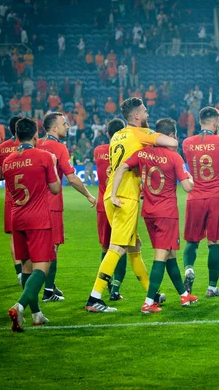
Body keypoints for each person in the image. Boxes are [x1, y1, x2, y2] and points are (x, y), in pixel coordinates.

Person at [84, 98, 178, 313]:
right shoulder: (140, 133)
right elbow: (172, 143)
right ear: (136, 115)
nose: (147, 113)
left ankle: (152, 294)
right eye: (144, 110)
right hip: (125, 197)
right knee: (117, 247)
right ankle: (94, 297)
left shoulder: (117, 135)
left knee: (134, 246)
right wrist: (154, 140)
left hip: (111, 194)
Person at [111, 118, 198, 313]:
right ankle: (149, 302)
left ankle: (184, 296)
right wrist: (192, 179)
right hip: (166, 213)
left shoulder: (141, 153)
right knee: (161, 256)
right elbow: (187, 187)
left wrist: (114, 194)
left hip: (149, 212)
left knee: (170, 256)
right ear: (172, 136)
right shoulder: (175, 157)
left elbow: (121, 168)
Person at [6, 118, 62, 332]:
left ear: (17, 135)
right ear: (36, 135)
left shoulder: (9, 160)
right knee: (43, 267)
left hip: (17, 218)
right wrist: (54, 167)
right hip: (38, 219)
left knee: (27, 267)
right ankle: (19, 305)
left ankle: (36, 314)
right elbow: (55, 188)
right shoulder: (45, 156)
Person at [37, 112, 97, 302]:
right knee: (52, 247)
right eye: (64, 123)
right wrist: (88, 194)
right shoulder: (59, 148)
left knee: (38, 246)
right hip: (52, 205)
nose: (67, 126)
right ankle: (48, 292)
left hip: (33, 204)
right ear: (54, 128)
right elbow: (71, 178)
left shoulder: (36, 144)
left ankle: (49, 283)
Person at [181, 107, 219, 297]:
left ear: (200, 121)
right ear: (215, 122)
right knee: (214, 242)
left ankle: (189, 268)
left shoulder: (188, 143)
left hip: (195, 196)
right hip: (215, 198)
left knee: (192, 240)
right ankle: (212, 287)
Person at [93, 119, 128, 301]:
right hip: (121, 204)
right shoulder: (127, 151)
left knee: (105, 247)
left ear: (107, 134)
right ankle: (115, 288)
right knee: (121, 246)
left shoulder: (98, 151)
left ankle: (103, 284)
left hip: (102, 205)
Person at [0, 115, 22, 283]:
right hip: (30, 198)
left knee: (13, 237)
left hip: (10, 198)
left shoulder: (1, 148)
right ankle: (30, 270)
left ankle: (19, 273)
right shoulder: (31, 146)